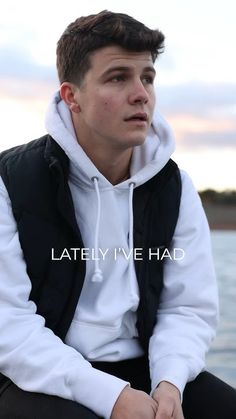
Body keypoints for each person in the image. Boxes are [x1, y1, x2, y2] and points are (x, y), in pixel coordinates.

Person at [0, 10, 235, 419]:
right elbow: (8, 323)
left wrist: (170, 382)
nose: (141, 93)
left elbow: (188, 308)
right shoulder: (11, 180)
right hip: (34, 372)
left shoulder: (173, 187)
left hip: (146, 367)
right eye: (118, 77)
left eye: (147, 77)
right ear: (71, 96)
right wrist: (111, 397)